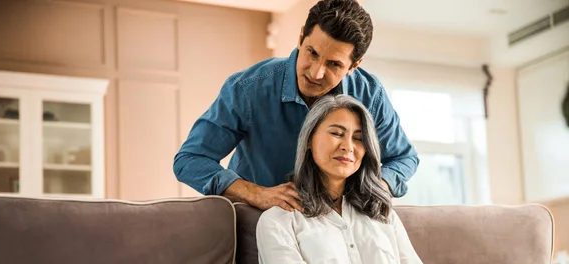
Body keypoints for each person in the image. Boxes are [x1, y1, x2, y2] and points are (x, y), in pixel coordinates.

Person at [256, 94, 539, 264]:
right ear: (308, 140)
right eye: (336, 133)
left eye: (358, 138)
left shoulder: (381, 215)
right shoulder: (278, 220)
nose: (348, 146)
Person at [174, 0, 418, 212]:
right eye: (312, 53)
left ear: (354, 65)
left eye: (334, 64)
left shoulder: (369, 94)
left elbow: (404, 159)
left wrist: (372, 190)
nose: (316, 73)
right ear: (301, 37)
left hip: (336, 229)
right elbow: (190, 160)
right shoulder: (248, 89)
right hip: (258, 222)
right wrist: (255, 193)